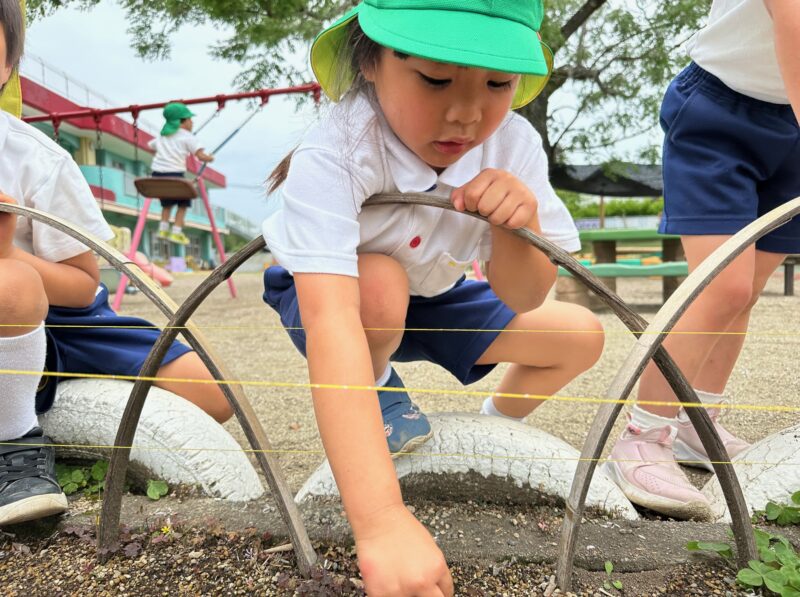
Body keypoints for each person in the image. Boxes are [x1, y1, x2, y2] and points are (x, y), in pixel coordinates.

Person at [262, 1, 605, 592]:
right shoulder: (340, 146)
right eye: (436, 79)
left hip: (436, 292)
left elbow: (525, 294)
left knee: (580, 336)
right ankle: (379, 390)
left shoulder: (513, 143)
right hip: (345, 297)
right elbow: (331, 320)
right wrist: (381, 523)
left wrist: (516, 226)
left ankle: (496, 422)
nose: (467, 114)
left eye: (498, 83)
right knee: (380, 287)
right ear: (370, 61)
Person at [0, 1, 232, 528]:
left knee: (214, 394)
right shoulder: (181, 135)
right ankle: (14, 444)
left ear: (8, 65)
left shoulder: (35, 159)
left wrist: (9, 252)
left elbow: (82, 286)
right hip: (12, 299)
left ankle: (36, 376)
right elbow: (195, 153)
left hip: (61, 316)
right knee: (9, 285)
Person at [606, 0, 800, 520]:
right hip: (722, 110)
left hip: (790, 121)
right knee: (721, 286)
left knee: (747, 291)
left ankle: (696, 421)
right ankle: (643, 435)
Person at [148, 102, 214, 246]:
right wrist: (210, 158)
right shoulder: (188, 137)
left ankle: (163, 229)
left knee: (167, 204)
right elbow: (200, 156)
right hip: (175, 176)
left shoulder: (162, 136)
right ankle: (176, 232)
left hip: (157, 176)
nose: (192, 122)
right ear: (182, 122)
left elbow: (150, 146)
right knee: (183, 202)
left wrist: (162, 153)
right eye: (190, 119)